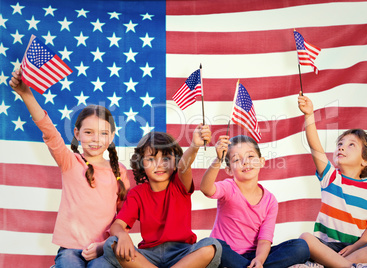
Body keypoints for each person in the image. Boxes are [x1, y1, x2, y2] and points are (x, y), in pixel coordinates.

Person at [9, 70, 130, 267]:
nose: (95, 139)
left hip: (103, 249)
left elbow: (124, 217)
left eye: (103, 133)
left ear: (111, 137)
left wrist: (103, 245)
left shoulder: (119, 171)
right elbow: (49, 131)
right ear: (77, 133)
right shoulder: (70, 162)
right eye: (89, 132)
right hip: (70, 249)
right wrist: (26, 93)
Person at [297, 93, 367, 267]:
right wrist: (308, 115)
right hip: (325, 246)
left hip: (356, 248)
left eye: (351, 145)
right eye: (340, 144)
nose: (341, 147)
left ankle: (337, 264)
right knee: (305, 239)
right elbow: (316, 148)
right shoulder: (331, 178)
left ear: (366, 160)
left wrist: (357, 246)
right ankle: (342, 264)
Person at [100, 129, 222, 268]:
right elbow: (118, 225)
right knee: (111, 244)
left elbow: (184, 167)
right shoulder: (137, 193)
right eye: (151, 159)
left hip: (182, 253)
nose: (159, 165)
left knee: (212, 246)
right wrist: (122, 236)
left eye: (166, 159)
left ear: (176, 162)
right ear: (141, 163)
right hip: (148, 256)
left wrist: (194, 146)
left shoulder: (179, 184)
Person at [200, 134, 310, 268]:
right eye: (236, 160)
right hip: (227, 254)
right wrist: (218, 159)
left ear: (262, 161)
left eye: (250, 156)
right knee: (212, 245)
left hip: (254, 255)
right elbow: (206, 189)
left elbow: (265, 239)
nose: (245, 162)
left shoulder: (270, 200)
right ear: (229, 170)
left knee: (300, 247)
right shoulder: (228, 187)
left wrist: (260, 260)